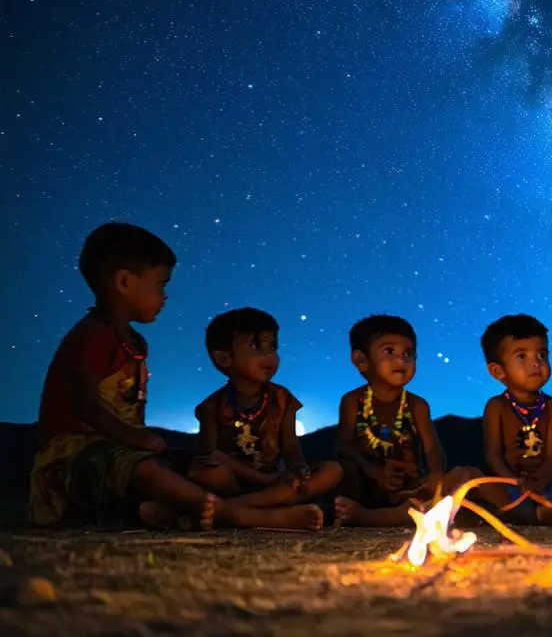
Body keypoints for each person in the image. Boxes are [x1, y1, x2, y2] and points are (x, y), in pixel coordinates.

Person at [29, 223, 322, 530]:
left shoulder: (134, 343)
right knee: (149, 472)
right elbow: (85, 404)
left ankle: (176, 512)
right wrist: (137, 438)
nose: (165, 296)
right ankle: (243, 515)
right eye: (160, 285)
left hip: (125, 453)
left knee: (204, 470)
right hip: (76, 456)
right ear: (125, 281)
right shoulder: (93, 336)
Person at [334, 315, 488, 526]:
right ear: (361, 360)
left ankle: (407, 513)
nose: (401, 360)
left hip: (411, 487)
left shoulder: (416, 405)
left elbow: (432, 448)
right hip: (368, 486)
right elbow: (344, 446)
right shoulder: (352, 401)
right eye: (389, 351)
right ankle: (373, 515)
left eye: (409, 354)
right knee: (334, 471)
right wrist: (375, 471)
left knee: (465, 475)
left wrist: (435, 474)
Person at [191, 307, 342, 511]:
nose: (269, 356)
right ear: (224, 358)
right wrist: (261, 479)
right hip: (235, 482)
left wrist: (299, 468)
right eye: (256, 346)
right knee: (209, 473)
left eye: (272, 346)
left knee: (332, 470)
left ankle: (229, 508)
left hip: (275, 479)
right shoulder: (211, 407)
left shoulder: (282, 399)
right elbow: (211, 455)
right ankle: (267, 506)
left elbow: (290, 445)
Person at [480, 314, 552, 525]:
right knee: (470, 481)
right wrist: (517, 482)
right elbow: (493, 455)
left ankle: (535, 513)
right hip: (509, 485)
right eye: (522, 356)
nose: (535, 364)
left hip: (546, 487)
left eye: (541, 355)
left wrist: (538, 484)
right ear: (498, 371)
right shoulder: (496, 407)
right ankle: (535, 513)